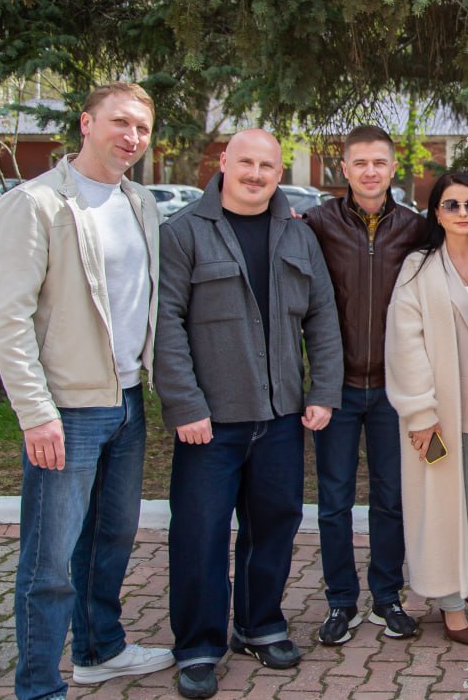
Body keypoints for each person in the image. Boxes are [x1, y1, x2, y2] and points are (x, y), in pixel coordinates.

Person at [0, 82, 173, 700]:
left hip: (127, 401)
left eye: (142, 128)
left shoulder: (140, 202)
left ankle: (100, 651)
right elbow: (7, 319)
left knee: (110, 540)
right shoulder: (34, 203)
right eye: (120, 123)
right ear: (87, 123)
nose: (132, 137)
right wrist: (35, 413)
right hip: (67, 410)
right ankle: (40, 685)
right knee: (50, 561)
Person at [155, 129, 343, 699]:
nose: (256, 174)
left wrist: (322, 391)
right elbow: (166, 325)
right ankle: (198, 646)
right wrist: (185, 403)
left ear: (279, 173)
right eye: (246, 163)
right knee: (200, 534)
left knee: (274, 526)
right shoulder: (183, 232)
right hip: (210, 421)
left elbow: (322, 317)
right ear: (224, 162)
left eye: (267, 166)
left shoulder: (298, 234)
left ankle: (259, 626)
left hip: (282, 414)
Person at [304, 125, 428, 643]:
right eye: (360, 163)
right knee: (334, 500)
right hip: (337, 387)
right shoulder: (316, 223)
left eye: (379, 162)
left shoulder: (415, 228)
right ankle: (340, 601)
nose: (370, 172)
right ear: (345, 168)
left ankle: (386, 596)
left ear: (393, 167)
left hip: (393, 390)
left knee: (390, 497)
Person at [384, 172, 468, 645]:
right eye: (451, 205)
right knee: (441, 505)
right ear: (436, 213)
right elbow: (404, 342)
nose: (462, 213)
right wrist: (420, 413)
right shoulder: (418, 268)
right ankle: (450, 600)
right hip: (438, 410)